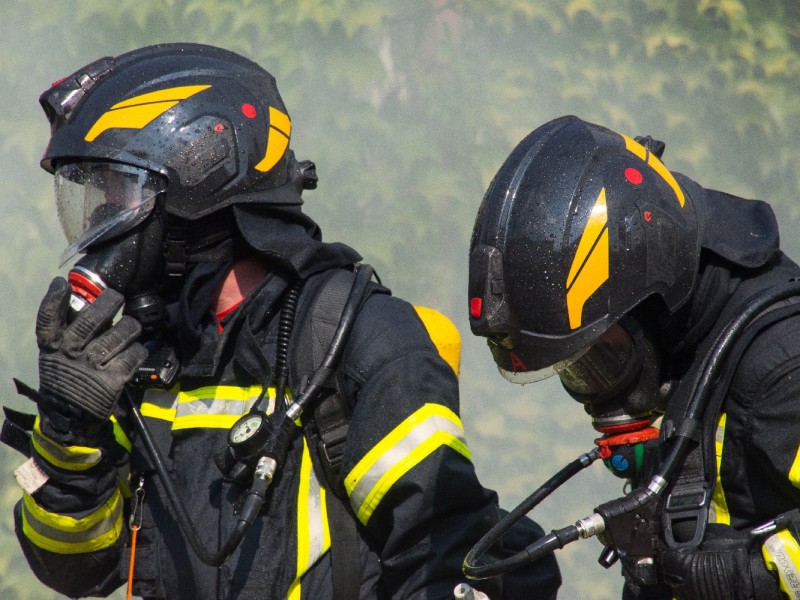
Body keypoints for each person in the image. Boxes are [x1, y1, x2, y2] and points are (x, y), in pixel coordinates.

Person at [3, 44, 561, 600]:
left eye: (118, 190)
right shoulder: (141, 359)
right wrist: (70, 433)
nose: (102, 219)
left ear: (199, 175)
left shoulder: (356, 342)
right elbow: (77, 570)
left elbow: (444, 562)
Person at [466, 114, 800, 599]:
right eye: (577, 369)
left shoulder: (783, 368)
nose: (598, 396)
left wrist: (738, 577)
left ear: (653, 293)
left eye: (602, 356)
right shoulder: (690, 356)